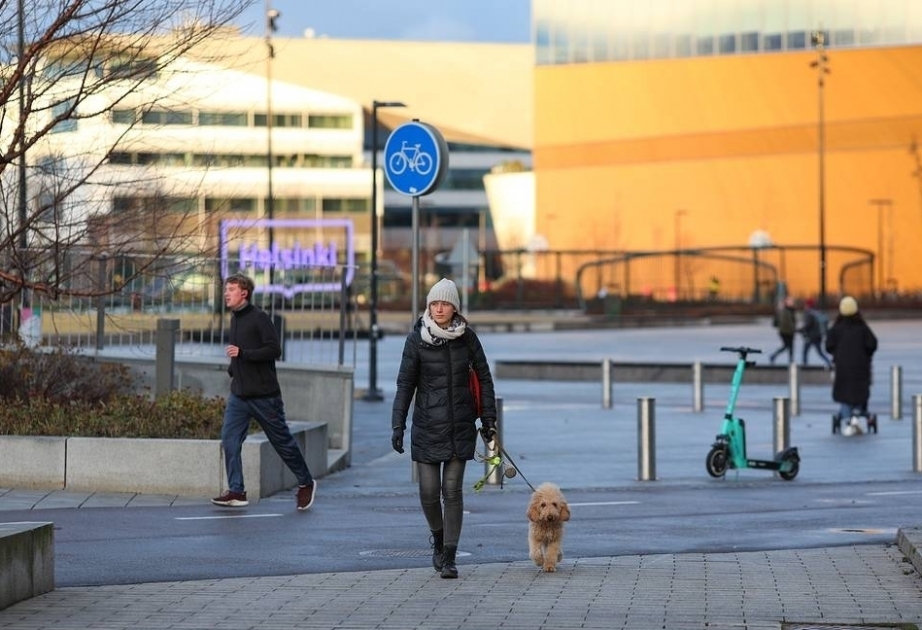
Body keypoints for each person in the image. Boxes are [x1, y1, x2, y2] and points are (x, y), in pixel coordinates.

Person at [391, 278, 497, 579]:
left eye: (445, 303)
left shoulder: (467, 338)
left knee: (451, 491)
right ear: (429, 306)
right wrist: (397, 424)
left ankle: (449, 556)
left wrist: (489, 419)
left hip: (459, 425)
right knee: (427, 493)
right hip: (426, 425)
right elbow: (404, 385)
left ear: (455, 308)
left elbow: (485, 379)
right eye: (434, 303)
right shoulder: (416, 339)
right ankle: (437, 538)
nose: (439, 308)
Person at [212, 273, 316, 511]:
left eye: (231, 289)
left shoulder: (259, 318)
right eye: (225, 289)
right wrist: (234, 369)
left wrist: (243, 354)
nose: (226, 293)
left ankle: (306, 482)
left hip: (264, 396)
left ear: (244, 293)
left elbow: (273, 350)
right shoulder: (235, 318)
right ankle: (236, 491)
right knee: (229, 440)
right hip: (239, 395)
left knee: (283, 443)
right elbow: (238, 351)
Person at [825, 295, 878, 420]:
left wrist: (837, 353)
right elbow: (872, 344)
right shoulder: (862, 328)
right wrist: (866, 354)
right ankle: (859, 412)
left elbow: (828, 346)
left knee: (844, 393)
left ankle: (847, 418)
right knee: (860, 391)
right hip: (861, 367)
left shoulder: (836, 328)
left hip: (842, 367)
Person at [798, 297, 832, 368]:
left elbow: (808, 325)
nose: (805, 306)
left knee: (805, 352)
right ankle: (828, 362)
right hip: (818, 336)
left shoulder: (809, 314)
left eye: (806, 305)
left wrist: (799, 330)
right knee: (820, 352)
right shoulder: (816, 312)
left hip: (810, 337)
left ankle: (805, 366)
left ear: (808, 305)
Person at [769, 296, 797, 364]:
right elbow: (787, 322)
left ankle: (791, 359)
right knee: (787, 346)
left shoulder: (790, 310)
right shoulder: (785, 311)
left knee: (790, 346)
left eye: (792, 302)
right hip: (785, 331)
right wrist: (793, 328)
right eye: (790, 302)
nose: (792, 303)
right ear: (786, 303)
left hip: (789, 331)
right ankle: (773, 356)